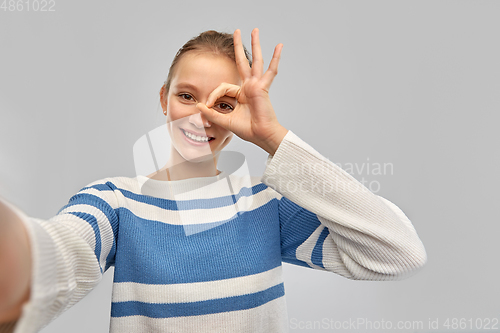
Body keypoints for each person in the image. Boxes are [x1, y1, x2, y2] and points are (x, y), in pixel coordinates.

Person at [0, 28, 427, 333]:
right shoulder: (116, 203)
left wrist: (273, 138)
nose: (202, 116)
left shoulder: (267, 205)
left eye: (224, 103)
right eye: (187, 96)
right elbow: (55, 253)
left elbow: (398, 253)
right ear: (164, 98)